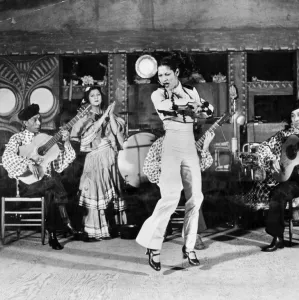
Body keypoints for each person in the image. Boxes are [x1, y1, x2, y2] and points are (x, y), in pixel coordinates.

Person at [135, 52, 214, 271]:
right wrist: (193, 108)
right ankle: (154, 246)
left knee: (196, 198)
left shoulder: (190, 91)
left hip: (189, 148)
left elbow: (209, 111)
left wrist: (198, 108)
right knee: (169, 198)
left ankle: (189, 247)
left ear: (176, 72)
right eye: (160, 75)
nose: (163, 78)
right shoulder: (157, 94)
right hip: (170, 148)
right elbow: (169, 111)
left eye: (167, 74)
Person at [2, 103, 78, 250]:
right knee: (53, 183)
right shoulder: (17, 138)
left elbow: (61, 162)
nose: (38, 123)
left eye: (40, 119)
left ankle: (52, 235)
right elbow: (7, 158)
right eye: (34, 120)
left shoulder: (46, 138)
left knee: (50, 187)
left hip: (46, 184)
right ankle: (66, 222)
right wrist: (28, 163)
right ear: (25, 123)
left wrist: (67, 141)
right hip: (27, 184)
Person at [71, 86, 127, 241]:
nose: (96, 97)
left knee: (112, 193)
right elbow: (86, 137)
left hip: (110, 158)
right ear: (88, 99)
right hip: (95, 160)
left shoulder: (108, 113)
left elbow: (117, 132)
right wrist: (103, 118)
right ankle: (95, 230)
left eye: (98, 95)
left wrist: (109, 114)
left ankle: (113, 228)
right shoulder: (84, 116)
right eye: (92, 95)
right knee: (96, 193)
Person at [255, 101, 299, 252]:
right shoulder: (283, 135)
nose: (296, 119)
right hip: (294, 180)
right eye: (293, 116)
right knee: (277, 194)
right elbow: (262, 148)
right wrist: (271, 158)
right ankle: (278, 237)